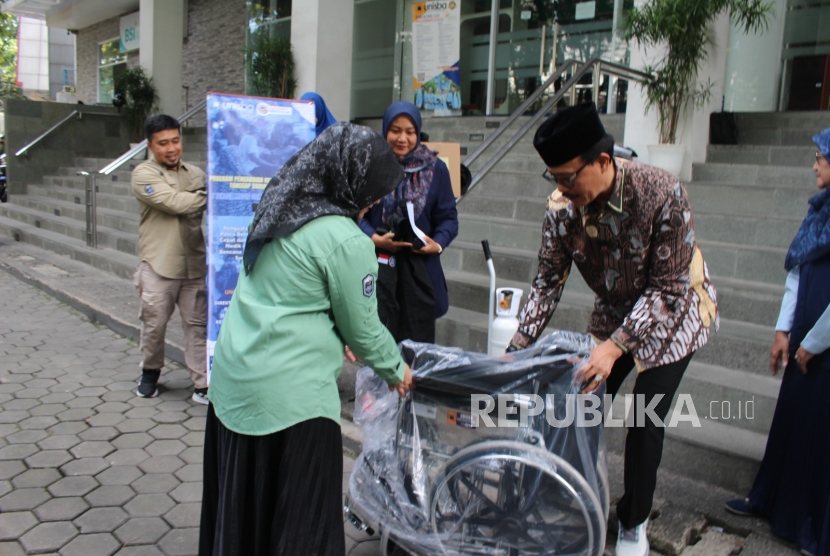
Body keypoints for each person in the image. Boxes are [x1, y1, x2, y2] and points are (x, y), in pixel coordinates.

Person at [507, 102, 719, 556]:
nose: (562, 188)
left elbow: (667, 289)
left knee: (646, 413)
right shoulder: (562, 209)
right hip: (614, 307)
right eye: (554, 178)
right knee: (583, 402)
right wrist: (516, 348)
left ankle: (633, 521)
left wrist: (616, 346)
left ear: (603, 161)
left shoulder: (662, 193)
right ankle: (579, 499)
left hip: (675, 312)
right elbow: (547, 282)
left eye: (568, 176)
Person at [199, 123, 414, 556]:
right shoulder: (346, 240)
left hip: (233, 382)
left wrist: (337, 330)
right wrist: (397, 369)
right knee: (300, 521)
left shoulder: (280, 209)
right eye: (373, 188)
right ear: (350, 181)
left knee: (245, 509)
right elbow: (365, 330)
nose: (375, 199)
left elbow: (291, 291)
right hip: (291, 403)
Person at [725, 128, 830, 556]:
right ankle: (769, 502)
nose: (814, 165)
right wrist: (784, 331)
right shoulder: (819, 211)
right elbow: (798, 272)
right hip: (804, 339)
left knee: (817, 437)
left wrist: (815, 343)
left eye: (821, 158)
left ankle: (807, 526)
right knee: (790, 424)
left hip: (822, 348)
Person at [359, 101, 458, 342]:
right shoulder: (370, 165)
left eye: (410, 132)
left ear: (418, 133)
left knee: (418, 344)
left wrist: (438, 244)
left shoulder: (437, 169)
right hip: (379, 265)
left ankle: (411, 380)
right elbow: (354, 214)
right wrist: (375, 238)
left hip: (420, 268)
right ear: (385, 131)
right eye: (395, 130)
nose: (402, 138)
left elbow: (449, 219)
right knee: (380, 338)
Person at [130, 114, 209, 405]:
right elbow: (175, 204)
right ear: (151, 146)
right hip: (158, 265)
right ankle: (150, 372)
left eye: (175, 140)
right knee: (154, 325)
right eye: (163, 143)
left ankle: (202, 383)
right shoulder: (143, 175)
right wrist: (208, 194)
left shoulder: (195, 174)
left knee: (197, 326)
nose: (171, 148)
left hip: (194, 265)